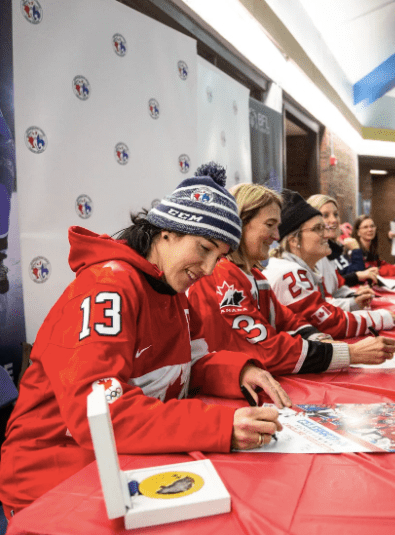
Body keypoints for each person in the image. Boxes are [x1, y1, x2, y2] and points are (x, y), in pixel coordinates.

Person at [0, 165, 289, 517]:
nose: (210, 269)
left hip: (118, 465)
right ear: (166, 232)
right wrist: (221, 425)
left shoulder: (174, 291)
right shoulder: (107, 289)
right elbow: (103, 415)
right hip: (55, 482)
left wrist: (238, 372)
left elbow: (190, 366)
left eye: (221, 256)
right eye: (204, 248)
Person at [188, 182, 395, 376]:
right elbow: (266, 349)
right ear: (240, 224)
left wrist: (318, 339)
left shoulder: (254, 273)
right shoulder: (223, 273)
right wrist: (347, 353)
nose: (277, 236)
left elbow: (286, 319)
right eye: (270, 224)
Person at [264, 191, 395, 338]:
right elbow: (328, 324)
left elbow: (323, 307)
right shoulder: (289, 273)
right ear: (294, 240)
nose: (327, 234)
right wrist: (381, 318)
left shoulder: (297, 267)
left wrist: (353, 303)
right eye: (317, 229)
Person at [307, 194, 377, 310]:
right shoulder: (312, 256)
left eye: (335, 214)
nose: (334, 220)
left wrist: (354, 295)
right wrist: (353, 301)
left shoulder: (329, 252)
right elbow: (319, 305)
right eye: (325, 215)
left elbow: (334, 291)